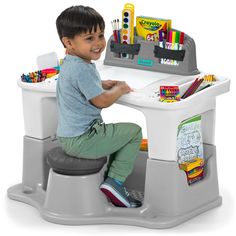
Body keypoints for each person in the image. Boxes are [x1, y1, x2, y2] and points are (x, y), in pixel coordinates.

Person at [56, 5, 142, 208]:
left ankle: (111, 179)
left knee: (117, 134)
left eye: (100, 35)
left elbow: (77, 85)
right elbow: (101, 101)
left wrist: (100, 84)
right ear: (68, 42)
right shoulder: (82, 68)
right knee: (133, 132)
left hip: (69, 137)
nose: (98, 43)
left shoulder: (70, 62)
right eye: (89, 38)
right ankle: (116, 181)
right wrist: (119, 89)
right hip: (84, 139)